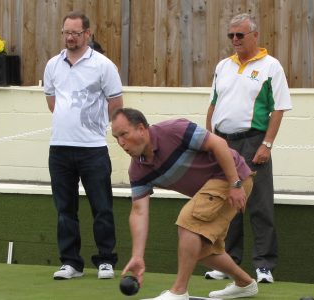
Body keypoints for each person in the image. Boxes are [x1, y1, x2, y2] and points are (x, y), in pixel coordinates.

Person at [113, 108, 259, 300]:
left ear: (141, 129)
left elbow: (219, 144)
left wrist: (235, 184)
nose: (121, 143)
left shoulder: (174, 130)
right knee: (203, 250)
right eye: (116, 137)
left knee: (188, 223)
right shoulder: (138, 170)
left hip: (230, 177)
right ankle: (245, 284)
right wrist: (138, 256)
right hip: (213, 189)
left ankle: (179, 292)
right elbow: (139, 212)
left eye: (124, 134)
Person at [205, 13, 292, 283]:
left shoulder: (271, 66)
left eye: (239, 35)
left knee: (259, 204)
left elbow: (279, 108)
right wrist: (209, 138)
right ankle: (227, 262)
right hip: (223, 141)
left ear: (254, 35)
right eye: (231, 35)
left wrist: (267, 144)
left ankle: (264, 265)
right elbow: (213, 103)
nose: (234, 40)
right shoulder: (223, 66)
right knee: (225, 202)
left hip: (253, 141)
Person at [43, 11, 122, 280]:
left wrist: (98, 127)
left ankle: (106, 260)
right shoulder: (53, 65)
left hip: (93, 148)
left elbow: (115, 103)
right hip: (60, 148)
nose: (70, 37)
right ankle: (71, 263)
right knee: (65, 209)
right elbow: (52, 101)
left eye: (75, 33)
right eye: (66, 32)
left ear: (87, 34)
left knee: (102, 207)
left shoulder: (103, 65)